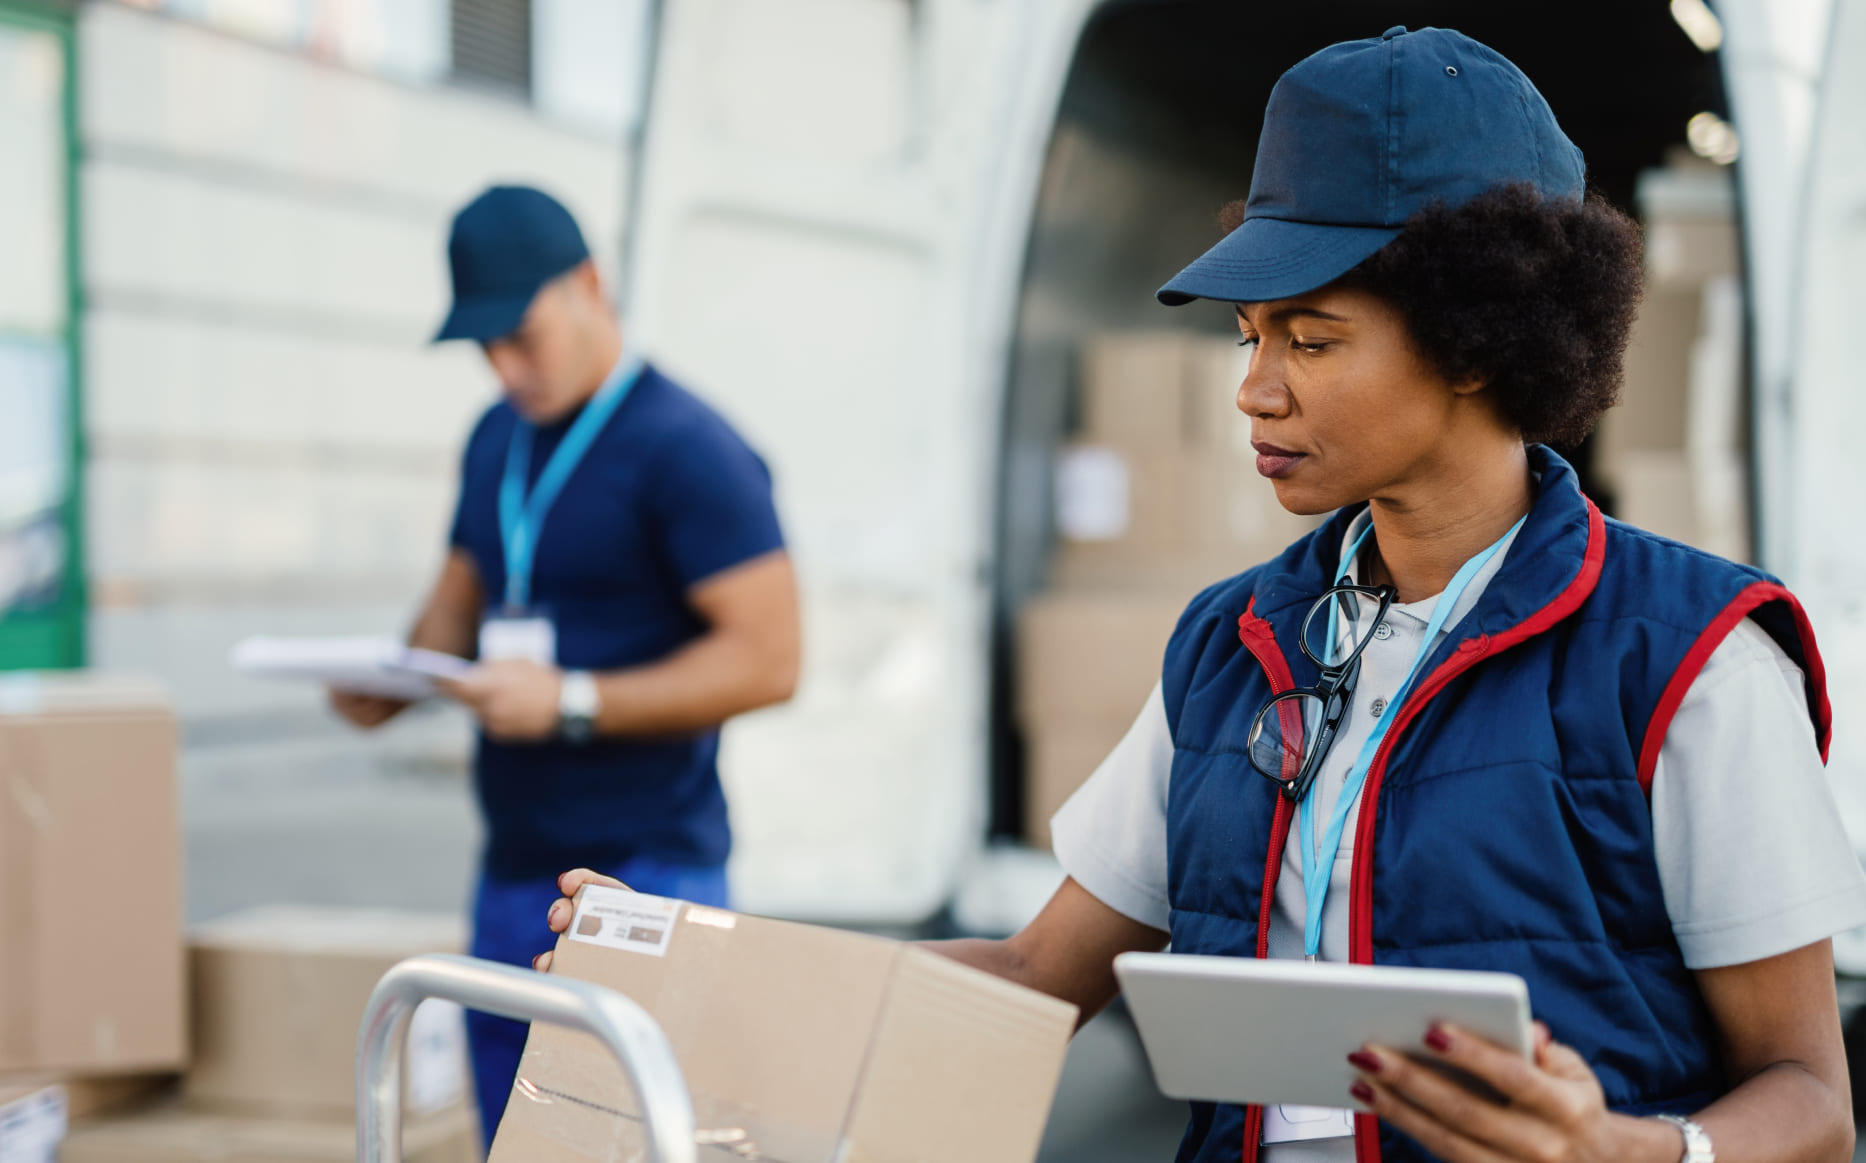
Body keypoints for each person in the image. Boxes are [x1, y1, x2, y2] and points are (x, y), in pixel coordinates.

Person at [536, 26, 1866, 1163]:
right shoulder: (1229, 645)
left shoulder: (1686, 660)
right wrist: (688, 965)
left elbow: (1811, 1101)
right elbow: (1029, 975)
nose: (1254, 386)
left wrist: (1629, 1147)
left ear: (1480, 336)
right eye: (1248, 337)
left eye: (1310, 336)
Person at [331, 185, 800, 1150]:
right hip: (509, 869)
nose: (506, 367)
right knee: (513, 1141)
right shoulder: (493, 438)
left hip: (649, 869)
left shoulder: (691, 449)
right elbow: (454, 612)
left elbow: (772, 660)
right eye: (484, 347)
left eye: (523, 335)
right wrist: (392, 678)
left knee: (636, 1140)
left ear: (591, 285)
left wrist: (574, 700)